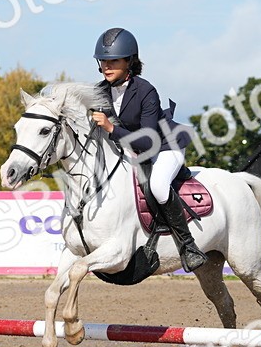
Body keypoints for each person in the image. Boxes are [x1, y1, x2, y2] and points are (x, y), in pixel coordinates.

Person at [88, 27, 207, 271]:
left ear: (130, 61)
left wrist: (111, 128)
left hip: (164, 147)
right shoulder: (99, 91)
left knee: (158, 186)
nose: (107, 67)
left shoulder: (146, 91)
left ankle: (188, 245)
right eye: (103, 62)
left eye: (114, 61)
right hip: (131, 150)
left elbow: (148, 141)